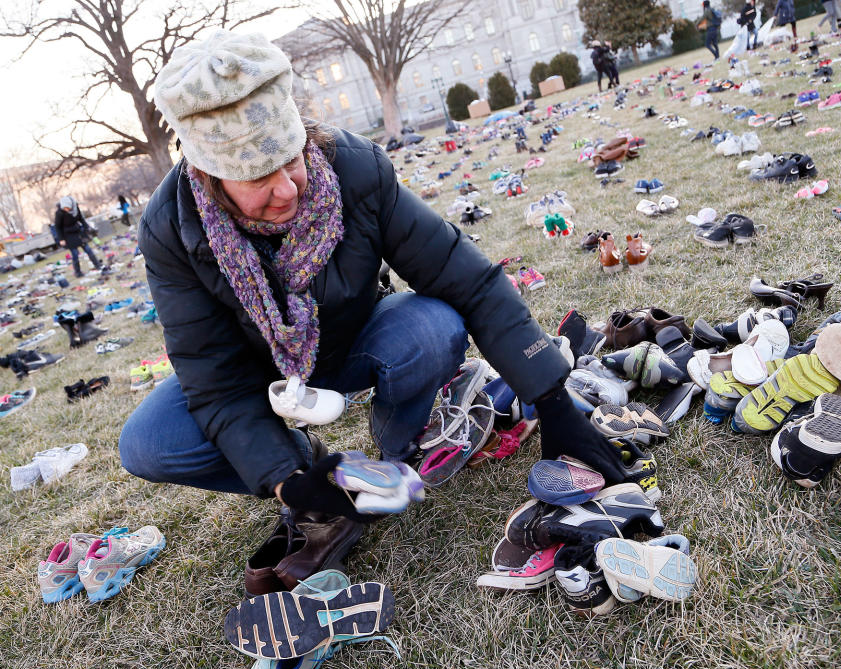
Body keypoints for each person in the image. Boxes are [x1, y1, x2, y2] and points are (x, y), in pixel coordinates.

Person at [119, 32, 631, 541]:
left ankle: (397, 449)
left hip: (355, 339)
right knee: (149, 443)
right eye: (256, 178)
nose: (286, 189)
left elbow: (468, 279)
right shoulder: (171, 229)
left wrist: (553, 400)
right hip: (261, 377)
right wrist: (290, 482)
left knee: (434, 326)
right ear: (210, 177)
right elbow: (216, 384)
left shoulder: (354, 167)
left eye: (291, 160)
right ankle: (317, 466)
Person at [53, 196, 101, 277]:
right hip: (67, 236)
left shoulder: (75, 208)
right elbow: (58, 227)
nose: (66, 209)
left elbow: (81, 219)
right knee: (75, 254)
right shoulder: (59, 213)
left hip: (78, 232)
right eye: (65, 208)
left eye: (67, 208)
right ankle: (78, 272)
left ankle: (98, 266)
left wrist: (87, 227)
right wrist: (61, 239)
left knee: (88, 249)